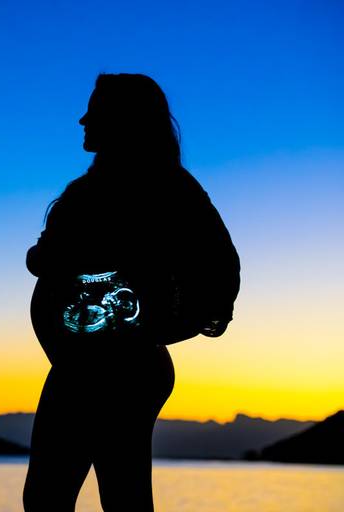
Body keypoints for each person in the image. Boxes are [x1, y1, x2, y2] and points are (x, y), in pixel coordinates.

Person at [22, 73, 240, 511]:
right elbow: (46, 261)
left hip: (119, 369)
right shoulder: (86, 191)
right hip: (80, 364)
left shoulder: (168, 189)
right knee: (84, 497)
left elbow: (221, 271)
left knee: (84, 497)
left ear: (125, 118)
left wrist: (157, 325)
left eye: (95, 110)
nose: (83, 119)